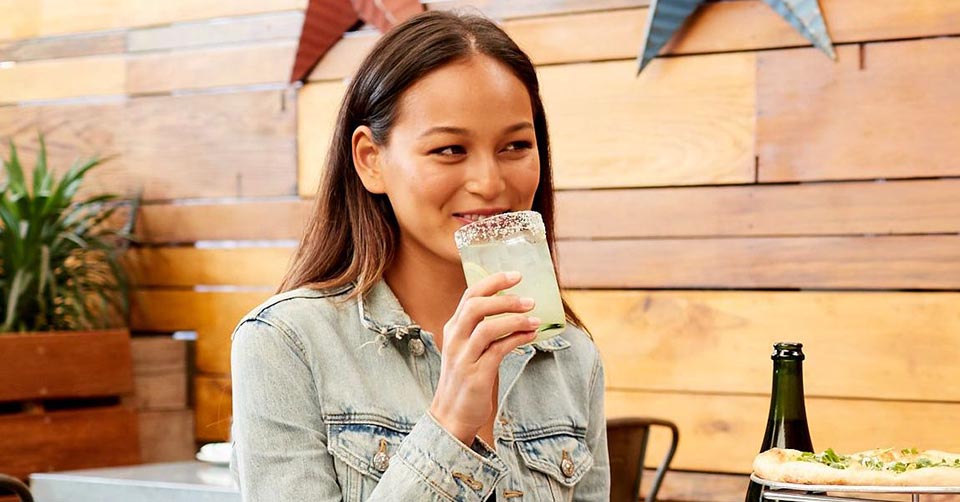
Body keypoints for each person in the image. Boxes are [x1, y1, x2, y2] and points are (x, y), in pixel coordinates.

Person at [230, 10, 609, 501]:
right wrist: (450, 423)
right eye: (449, 150)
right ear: (371, 160)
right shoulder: (286, 345)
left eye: (515, 145)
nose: (490, 183)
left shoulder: (571, 357)